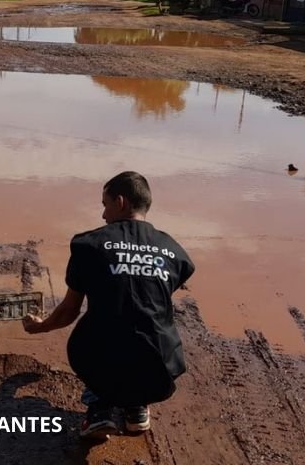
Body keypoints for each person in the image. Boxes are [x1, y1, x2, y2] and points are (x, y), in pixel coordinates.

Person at [22, 171, 195, 440]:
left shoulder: (89, 245)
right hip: (160, 366)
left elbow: (69, 310)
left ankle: (100, 409)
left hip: (102, 361)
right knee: (142, 327)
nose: (103, 215)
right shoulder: (173, 250)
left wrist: (41, 326)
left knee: (102, 333)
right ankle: (136, 408)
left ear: (121, 202)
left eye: (105, 204)